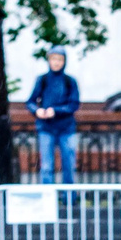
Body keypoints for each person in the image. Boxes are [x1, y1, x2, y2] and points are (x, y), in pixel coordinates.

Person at [26, 49, 81, 185]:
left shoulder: (69, 81)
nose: (56, 63)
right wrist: (37, 111)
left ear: (64, 61)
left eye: (59, 59)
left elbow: (74, 104)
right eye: (53, 59)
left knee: (68, 165)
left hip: (66, 128)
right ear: (49, 60)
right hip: (46, 128)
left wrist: (55, 111)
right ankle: (47, 200)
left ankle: (69, 200)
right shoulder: (43, 80)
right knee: (46, 166)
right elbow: (31, 102)